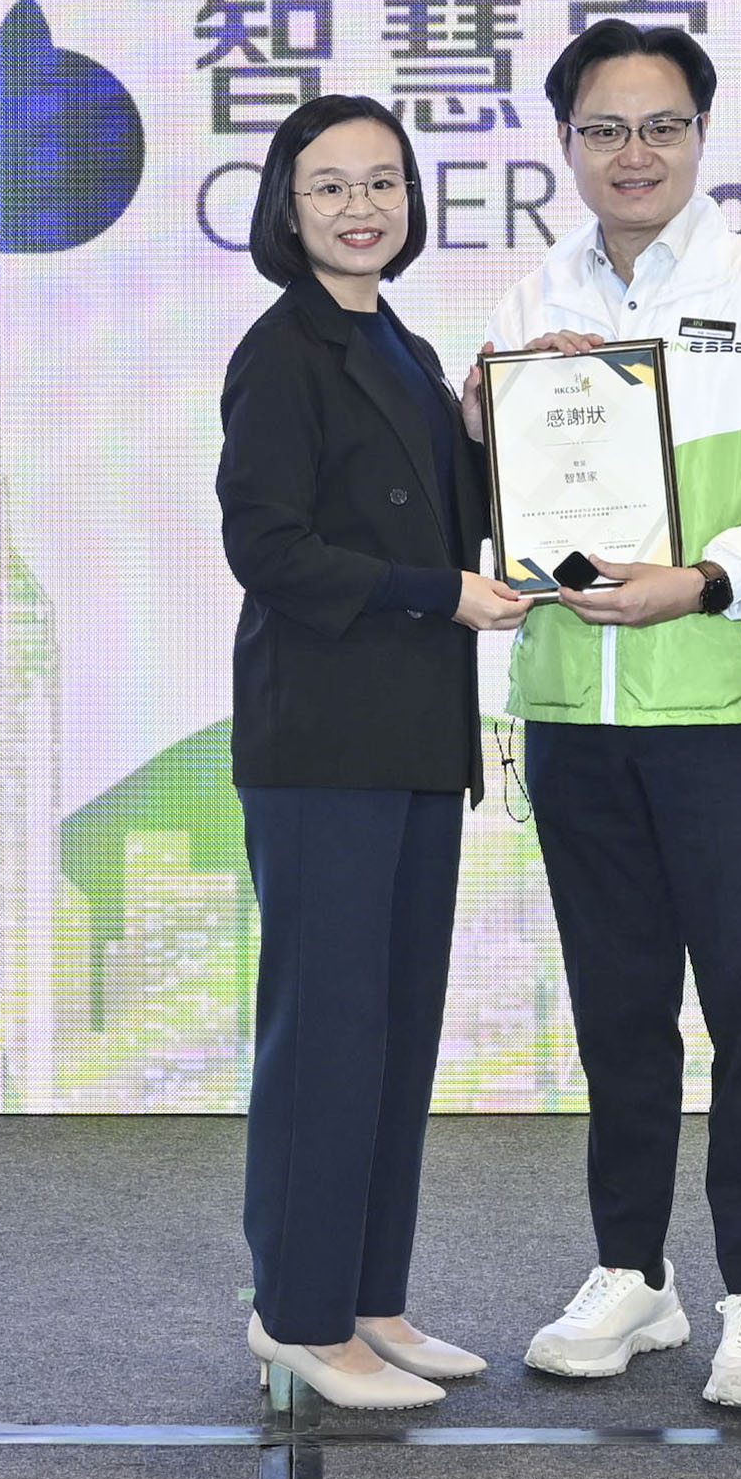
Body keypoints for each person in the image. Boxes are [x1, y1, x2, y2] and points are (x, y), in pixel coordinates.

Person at [479, 22, 741, 1410]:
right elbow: (498, 506)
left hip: (728, 708)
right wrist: (479, 422)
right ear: (566, 144)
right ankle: (632, 1273)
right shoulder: (530, 298)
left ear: (701, 135)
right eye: (604, 129)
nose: (633, 153)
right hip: (573, 715)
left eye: (660, 125)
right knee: (617, 1010)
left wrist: (704, 580)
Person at [215, 94, 528, 1411]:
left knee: (394, 1029)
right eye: (330, 184)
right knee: (327, 1031)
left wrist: (492, 427)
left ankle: (369, 1296)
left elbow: (452, 517)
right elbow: (267, 547)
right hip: (321, 737)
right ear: (286, 207)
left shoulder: (401, 342)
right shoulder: (281, 352)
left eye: (383, 181)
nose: (361, 206)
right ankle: (298, 1314)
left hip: (411, 734)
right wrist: (433, 593)